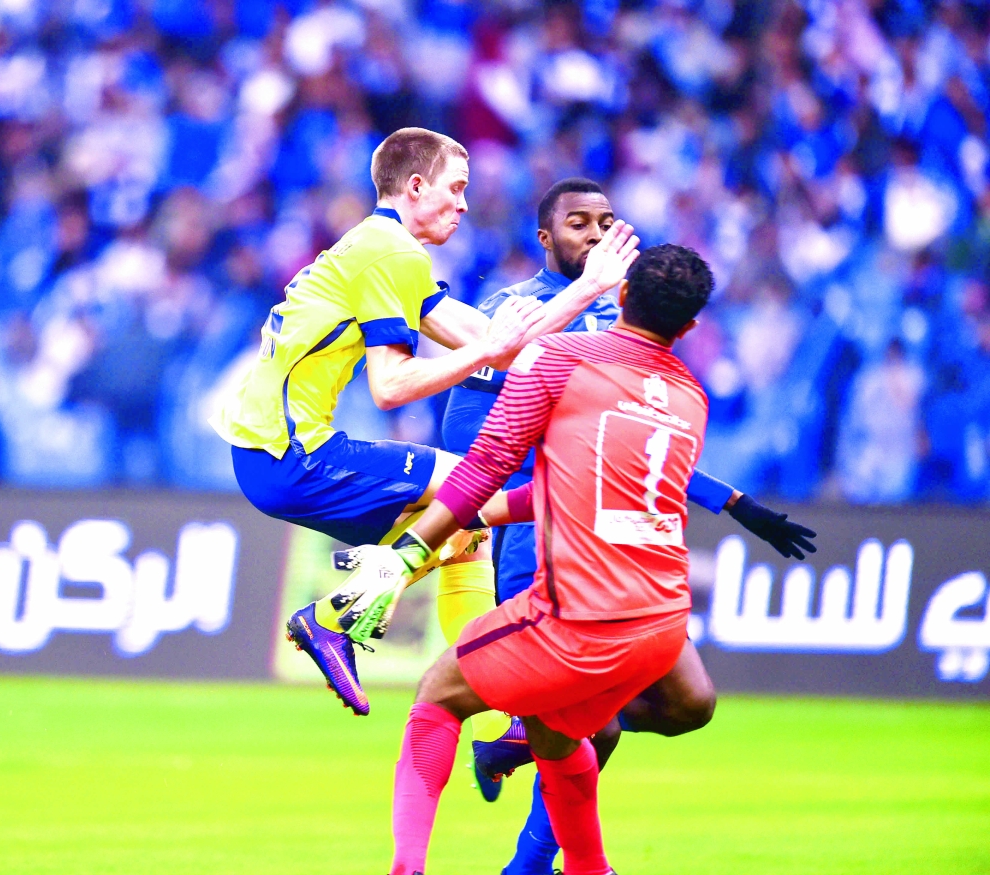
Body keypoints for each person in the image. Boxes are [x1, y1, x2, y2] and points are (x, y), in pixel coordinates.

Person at [440, 179, 816, 875]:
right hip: (543, 539)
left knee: (648, 714)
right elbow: (470, 436)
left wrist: (734, 502)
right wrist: (528, 488)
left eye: (605, 221)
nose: (594, 233)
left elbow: (644, 444)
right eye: (577, 222)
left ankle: (519, 764)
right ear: (545, 238)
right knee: (596, 726)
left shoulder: (627, 321)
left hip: (620, 546)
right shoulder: (516, 312)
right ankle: (529, 854)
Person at [209, 129, 640, 719]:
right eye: (455, 188)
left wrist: (586, 289)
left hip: (270, 453)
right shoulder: (392, 254)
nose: (463, 204)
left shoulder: (383, 248)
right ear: (416, 186)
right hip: (291, 455)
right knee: (473, 493)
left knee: (465, 534)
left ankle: (497, 706)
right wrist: (490, 349)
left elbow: (501, 345)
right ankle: (334, 617)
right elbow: (391, 387)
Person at [354, 243, 717, 875]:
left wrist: (407, 555)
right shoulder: (691, 398)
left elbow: (486, 463)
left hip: (580, 616)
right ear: (688, 328)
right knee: (556, 731)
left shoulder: (560, 359)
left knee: (438, 695)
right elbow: (586, 483)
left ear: (620, 295)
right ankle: (587, 868)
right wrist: (493, 514)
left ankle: (405, 869)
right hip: (663, 626)